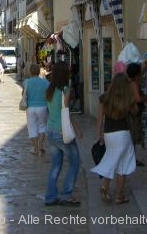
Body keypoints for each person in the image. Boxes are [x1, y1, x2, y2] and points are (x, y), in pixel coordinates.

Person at [91, 73, 138, 204]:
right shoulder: (127, 99)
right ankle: (118, 195)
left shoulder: (104, 98)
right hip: (123, 134)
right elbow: (135, 112)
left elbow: (100, 119)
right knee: (122, 164)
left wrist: (99, 135)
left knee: (111, 159)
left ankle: (105, 186)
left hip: (109, 134)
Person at [44, 62, 83, 207]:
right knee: (74, 162)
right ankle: (66, 194)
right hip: (62, 132)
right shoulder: (65, 90)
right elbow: (66, 112)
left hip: (51, 130)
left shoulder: (49, 90)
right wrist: (77, 128)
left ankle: (50, 196)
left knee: (56, 164)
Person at [126, 56, 147, 165]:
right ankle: (131, 160)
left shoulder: (132, 80)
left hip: (133, 112)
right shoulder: (133, 84)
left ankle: (131, 159)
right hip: (133, 113)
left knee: (133, 136)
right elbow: (138, 98)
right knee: (133, 135)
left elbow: (141, 71)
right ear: (136, 74)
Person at [23, 63, 49, 155]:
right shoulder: (45, 82)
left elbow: (23, 94)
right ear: (39, 71)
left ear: (30, 71)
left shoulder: (26, 82)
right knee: (42, 126)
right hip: (42, 106)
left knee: (32, 128)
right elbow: (48, 94)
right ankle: (41, 145)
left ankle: (36, 148)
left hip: (30, 107)